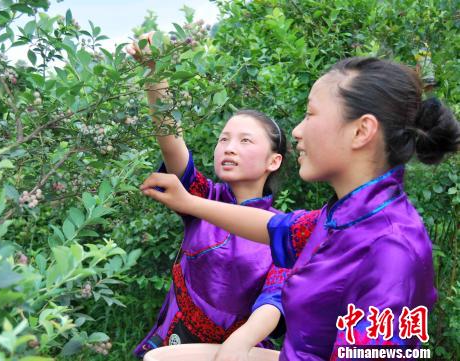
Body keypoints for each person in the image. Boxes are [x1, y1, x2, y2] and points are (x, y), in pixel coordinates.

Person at [140, 57, 460, 360]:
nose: (297, 131)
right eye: (224, 139)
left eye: (310, 114)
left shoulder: (391, 250)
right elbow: (273, 228)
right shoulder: (338, 219)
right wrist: (190, 202)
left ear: (361, 131)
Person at [126, 33, 293, 357]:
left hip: (242, 352)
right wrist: (154, 75)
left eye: (245, 141)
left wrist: (237, 345)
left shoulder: (284, 229)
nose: (229, 147)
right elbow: (172, 142)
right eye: (223, 139)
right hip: (177, 344)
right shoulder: (202, 199)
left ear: (274, 161)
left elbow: (274, 298)